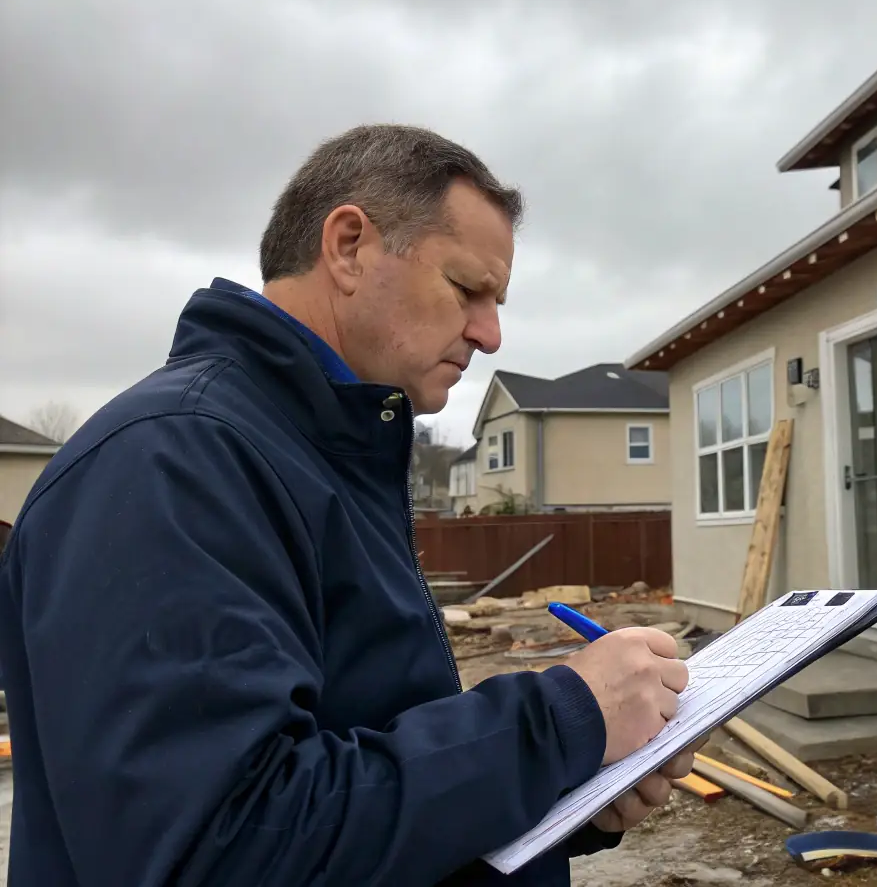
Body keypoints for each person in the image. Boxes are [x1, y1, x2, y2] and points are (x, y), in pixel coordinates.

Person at [0, 125, 698, 885]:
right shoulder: (172, 463)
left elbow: (361, 777)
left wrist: (569, 788)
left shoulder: (323, 455)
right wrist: (562, 719)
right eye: (468, 289)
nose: (490, 335)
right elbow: (220, 847)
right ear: (348, 246)